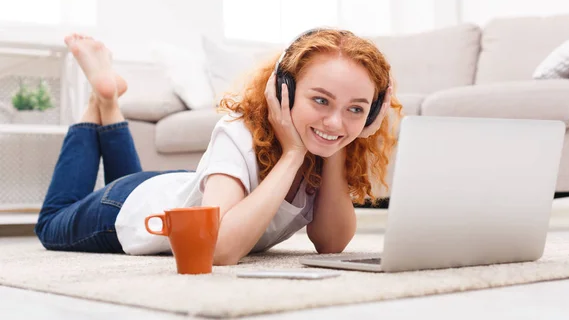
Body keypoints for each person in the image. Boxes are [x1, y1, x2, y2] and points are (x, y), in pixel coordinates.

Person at [34, 28, 403, 265]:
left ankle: (109, 100)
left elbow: (331, 242)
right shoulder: (238, 133)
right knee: (51, 224)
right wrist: (292, 155)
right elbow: (218, 249)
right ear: (282, 91)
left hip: (172, 188)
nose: (336, 121)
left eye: (356, 109)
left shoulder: (327, 143)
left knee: (132, 179)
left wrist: (336, 144)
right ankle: (97, 102)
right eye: (321, 101)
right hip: (122, 212)